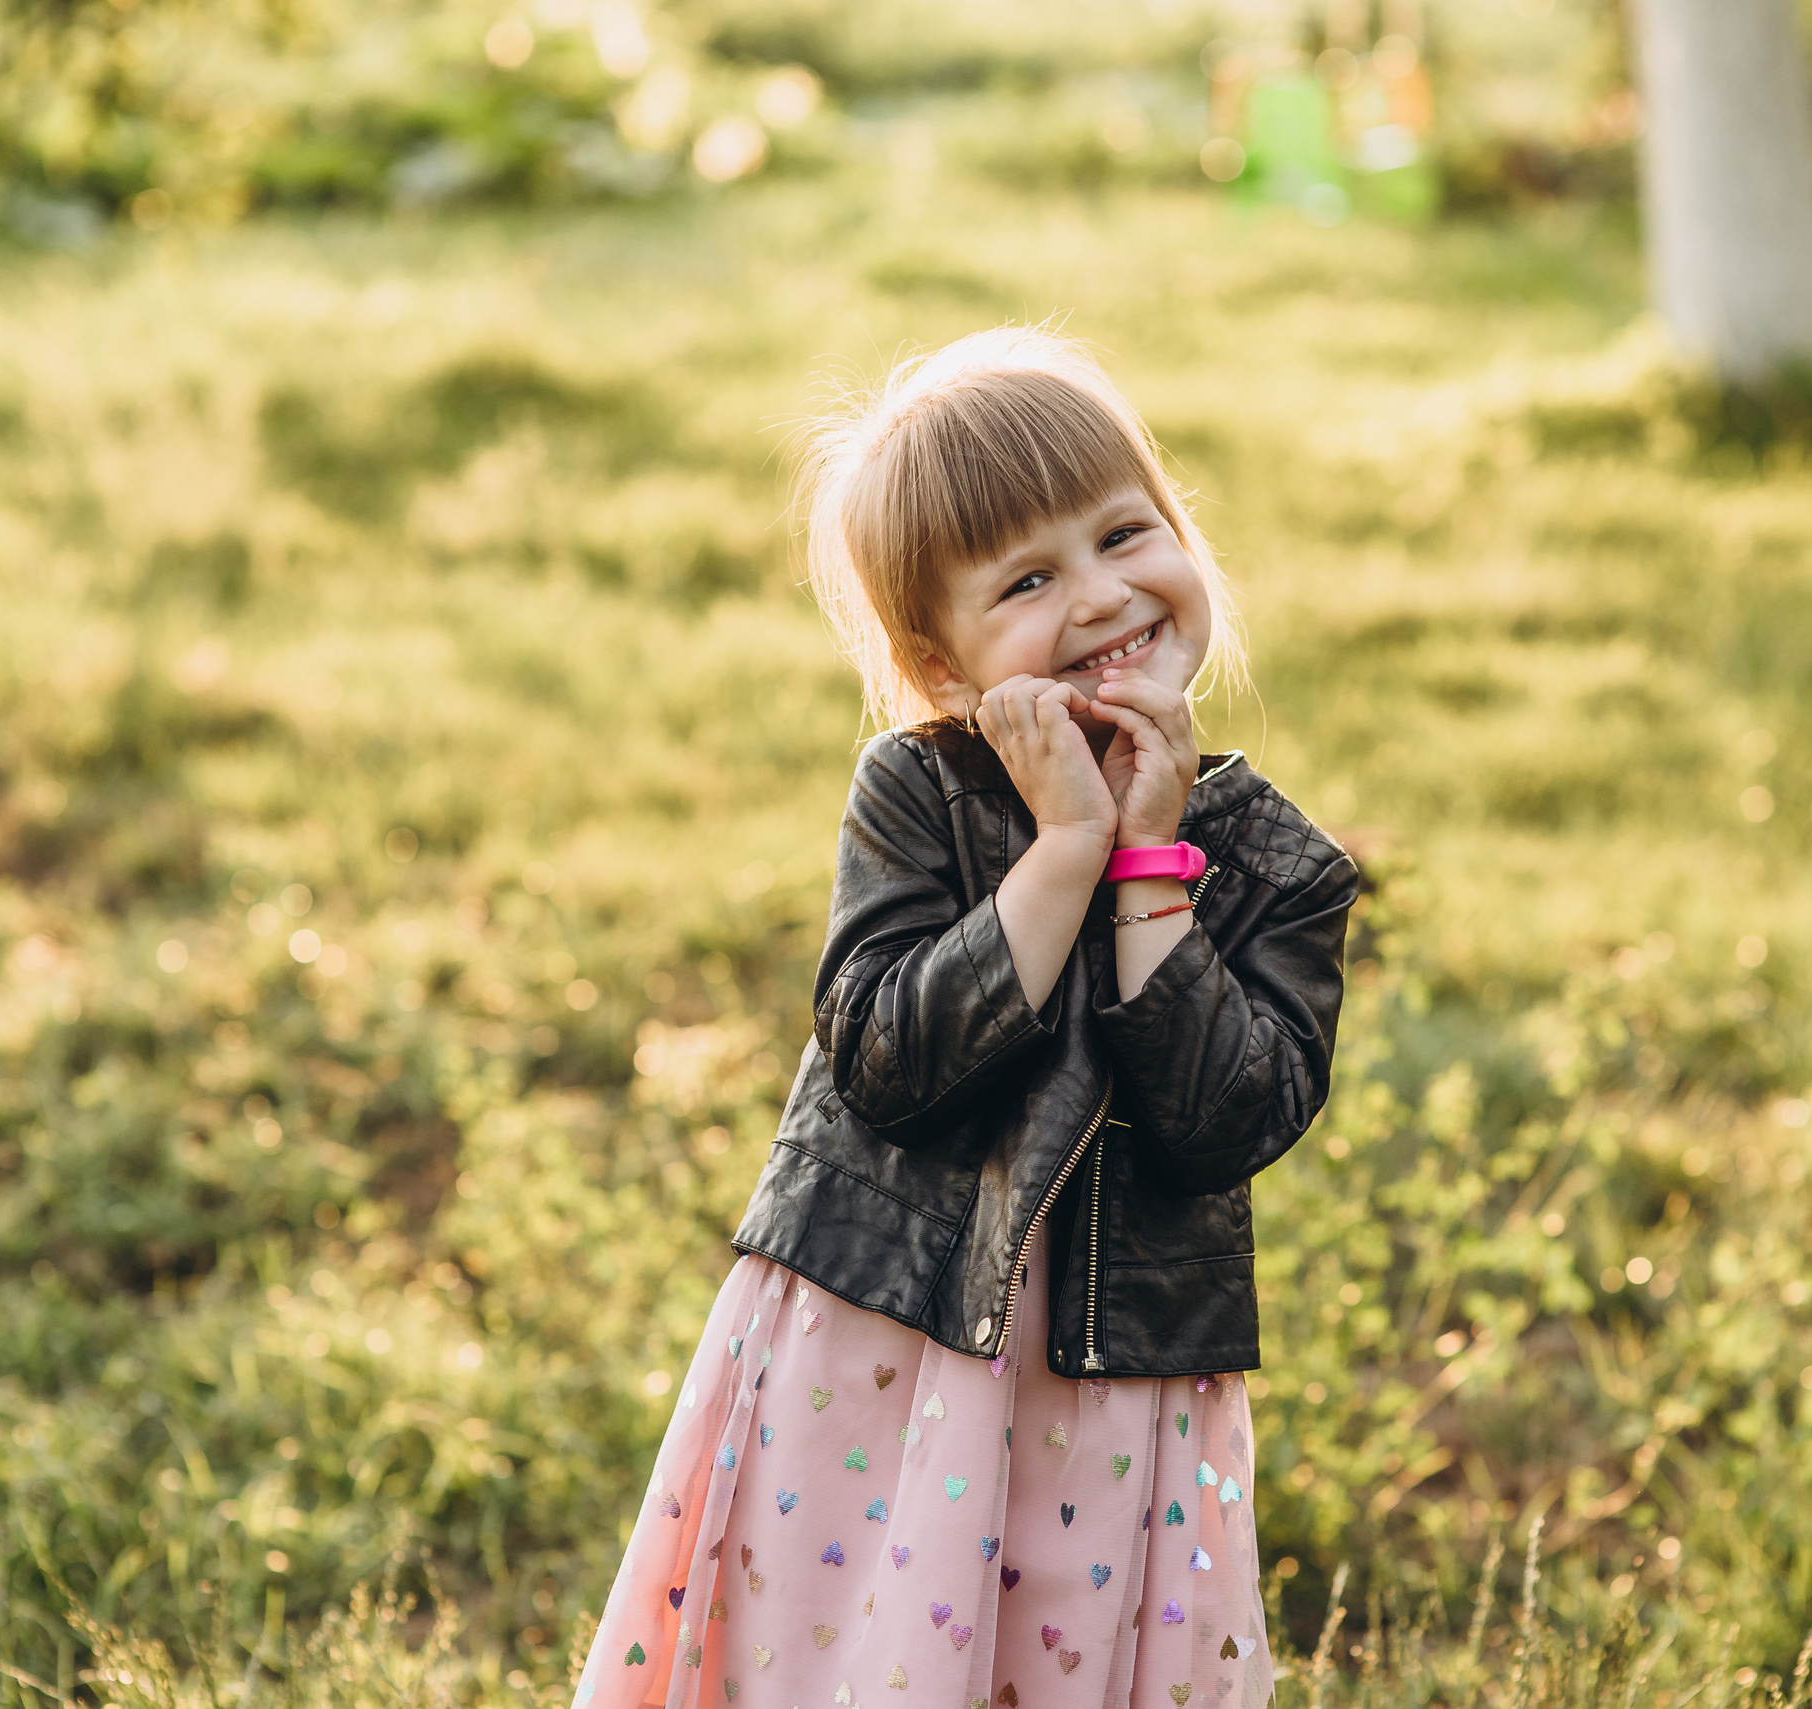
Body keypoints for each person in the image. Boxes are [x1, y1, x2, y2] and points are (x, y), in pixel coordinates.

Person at [574, 327, 1357, 1709]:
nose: (1107, 594)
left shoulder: (1278, 866)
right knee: (851, 1654)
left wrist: (1148, 871)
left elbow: (1226, 1121)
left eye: (1127, 532)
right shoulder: (915, 795)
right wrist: (1062, 850)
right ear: (944, 664)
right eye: (1031, 578)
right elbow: (883, 1060)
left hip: (1115, 1379)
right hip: (883, 1347)